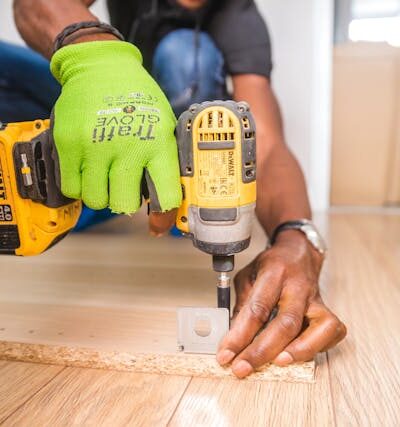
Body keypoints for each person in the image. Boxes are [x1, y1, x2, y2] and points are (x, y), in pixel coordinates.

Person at [2, 0, 346, 378]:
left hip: (163, 163)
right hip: (104, 108)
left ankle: (124, 192)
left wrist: (296, 237)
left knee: (184, 53)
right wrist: (98, 57)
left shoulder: (239, 16)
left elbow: (265, 142)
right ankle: (82, 172)